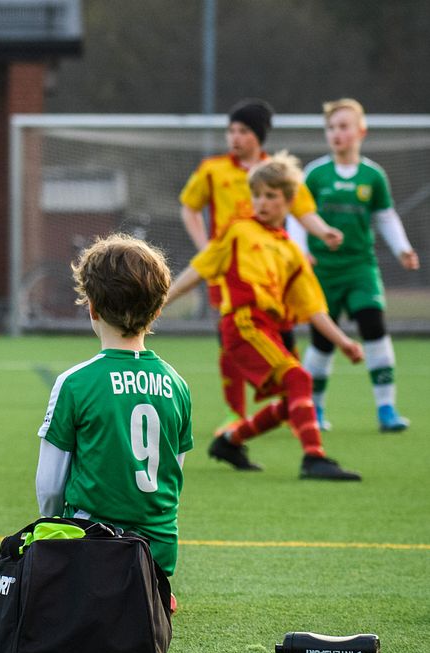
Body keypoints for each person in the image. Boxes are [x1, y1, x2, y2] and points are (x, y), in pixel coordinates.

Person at [168, 153, 364, 481]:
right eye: (256, 195)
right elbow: (199, 269)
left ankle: (229, 442)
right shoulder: (239, 230)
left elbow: (314, 308)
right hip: (243, 323)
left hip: (267, 328)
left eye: (270, 195)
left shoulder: (291, 251)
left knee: (293, 400)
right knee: (300, 379)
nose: (261, 202)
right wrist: (162, 300)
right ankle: (314, 458)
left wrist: (344, 342)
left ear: (288, 200)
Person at [34, 234, 191, 579]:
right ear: (158, 310)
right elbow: (172, 478)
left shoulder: (75, 382)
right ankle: (149, 590)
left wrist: (51, 535)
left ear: (91, 306)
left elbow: (50, 487)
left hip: (90, 547)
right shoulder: (177, 385)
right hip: (157, 556)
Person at [178, 99, 343, 427]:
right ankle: (235, 413)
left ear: (259, 135)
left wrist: (324, 232)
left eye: (242, 131)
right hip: (230, 271)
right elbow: (189, 208)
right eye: (230, 131)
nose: (234, 137)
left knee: (282, 333)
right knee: (229, 338)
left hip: (271, 271)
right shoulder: (212, 169)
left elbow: (303, 210)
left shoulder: (277, 173)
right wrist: (207, 249)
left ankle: (293, 400)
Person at [296, 98, 420, 433]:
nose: (336, 133)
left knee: (374, 327)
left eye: (343, 126)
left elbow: (385, 216)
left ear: (361, 131)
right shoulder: (315, 174)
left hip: (361, 268)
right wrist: (300, 251)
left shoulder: (373, 176)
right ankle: (315, 410)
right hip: (322, 271)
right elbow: (298, 215)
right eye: (331, 128)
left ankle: (386, 409)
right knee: (323, 341)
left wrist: (403, 249)